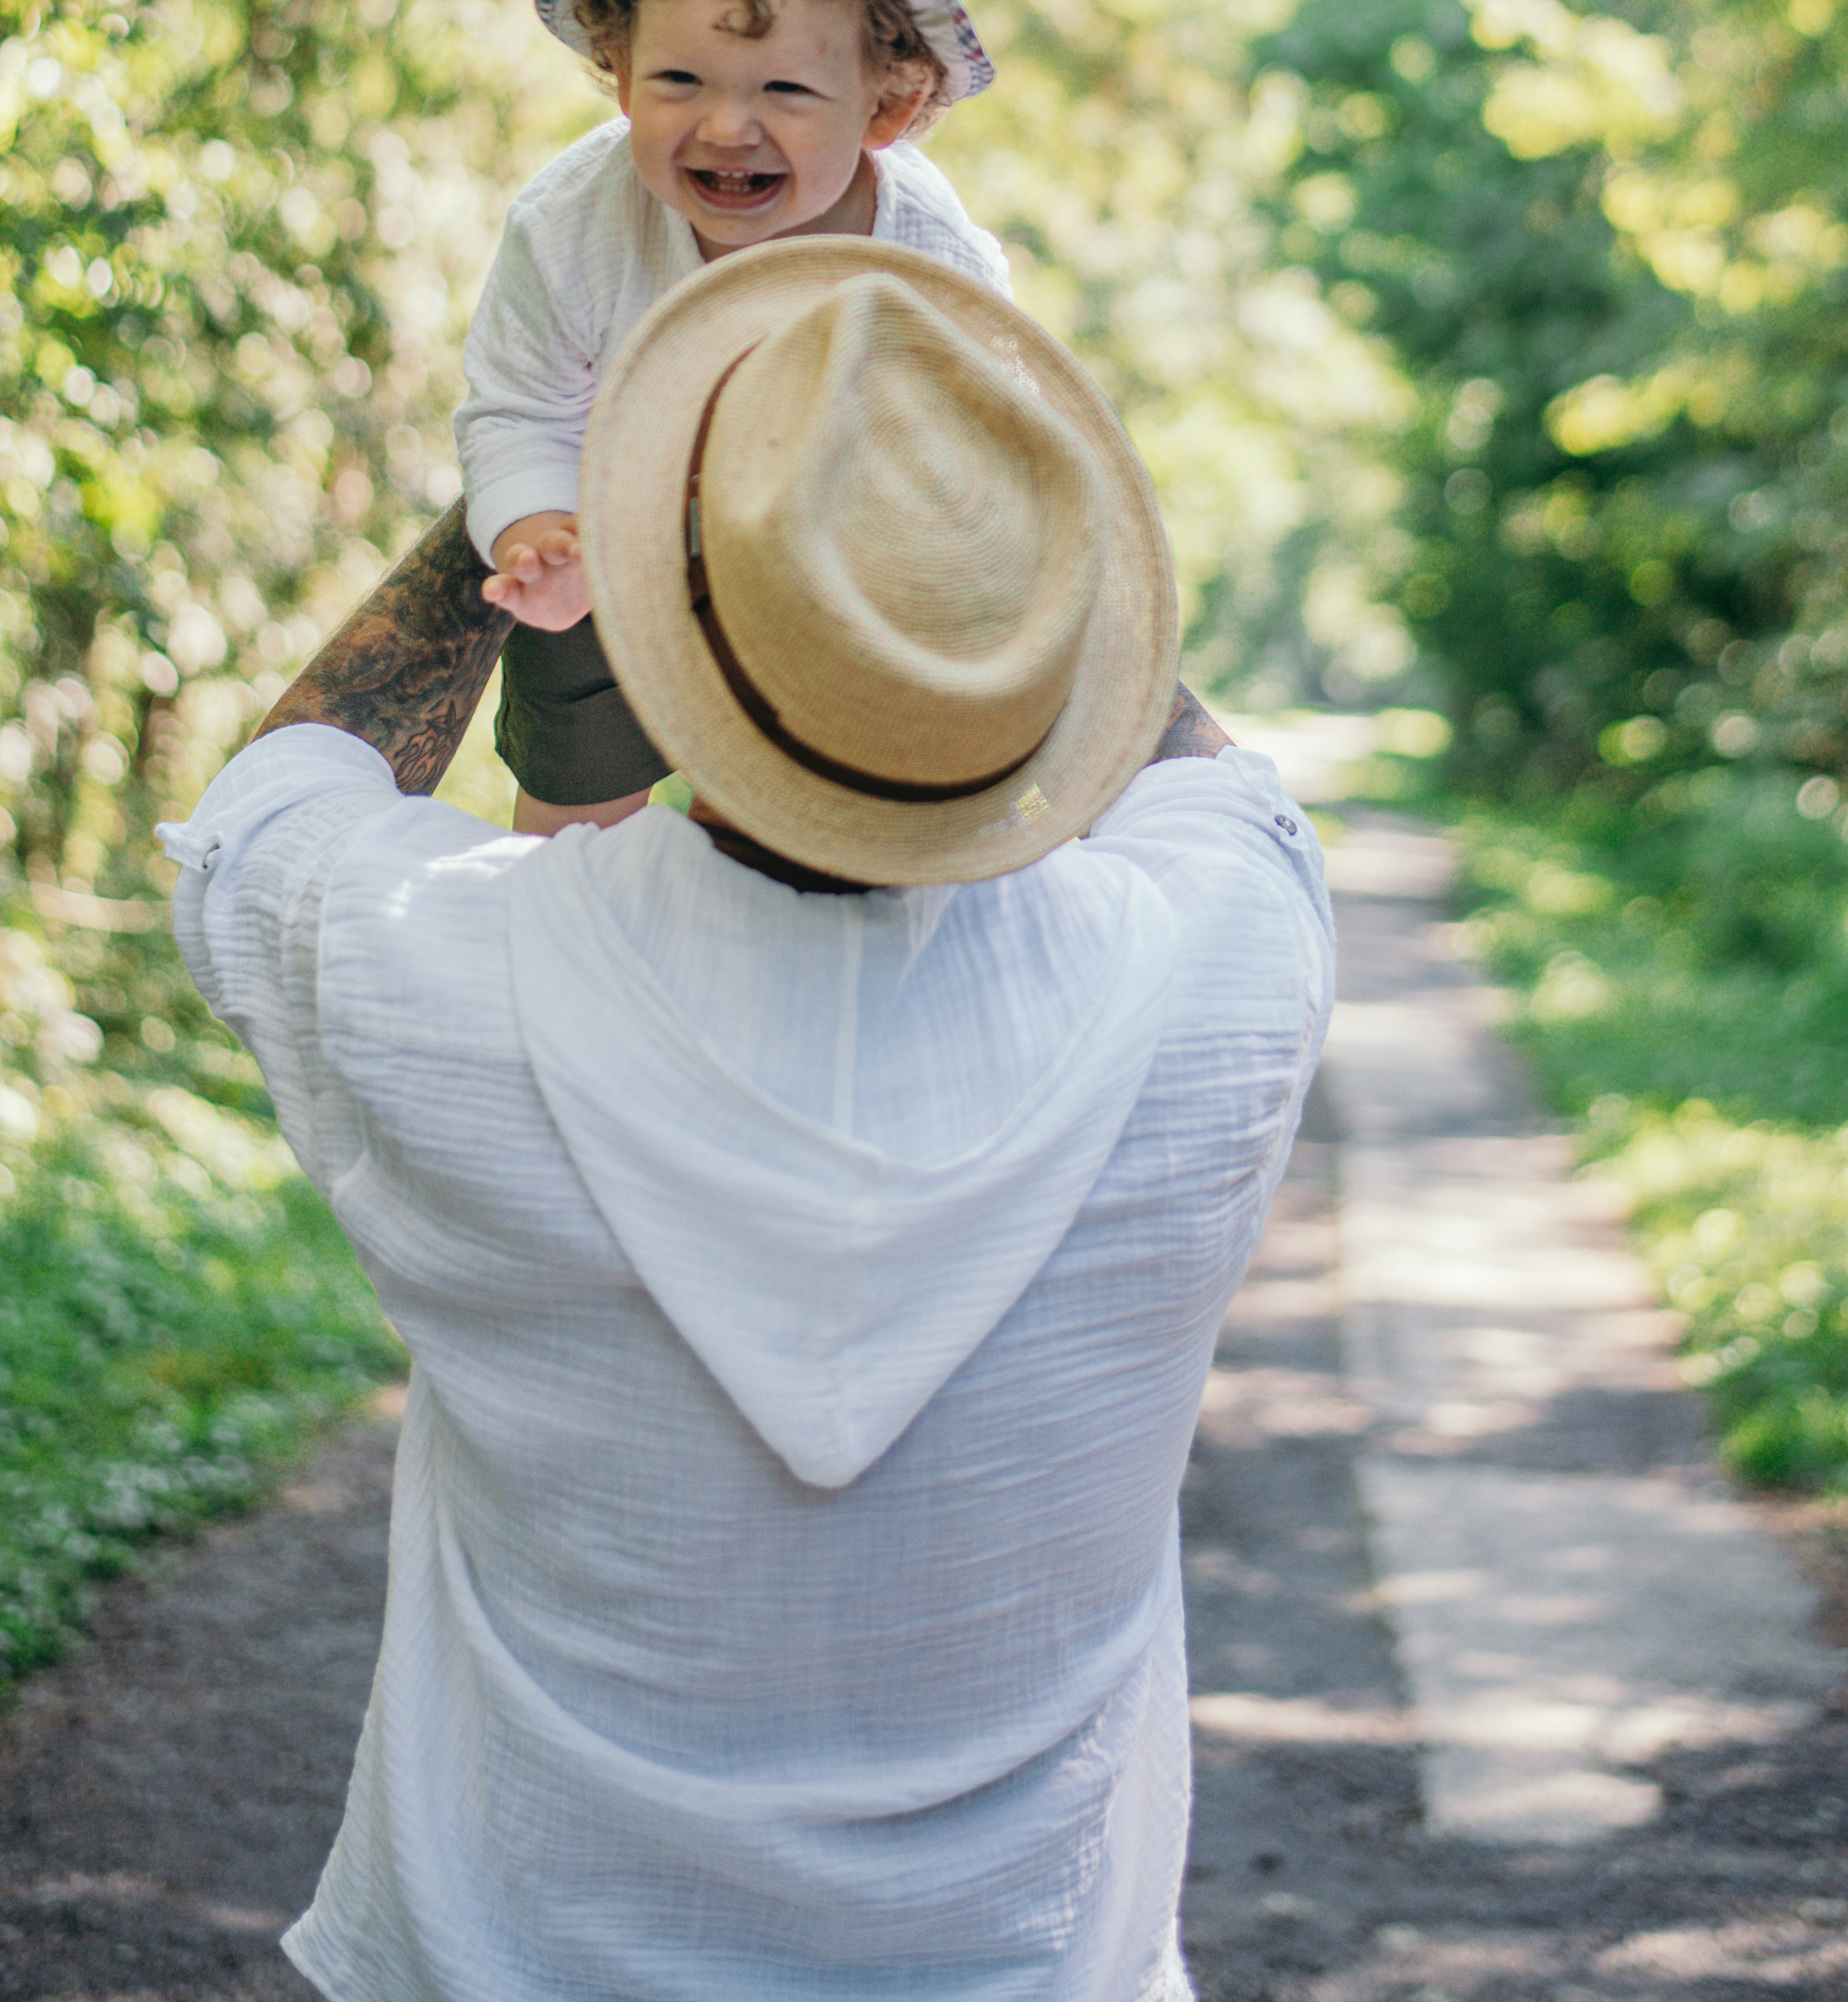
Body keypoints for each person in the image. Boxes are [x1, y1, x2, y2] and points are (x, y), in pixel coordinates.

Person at [158, 240, 1333, 2002]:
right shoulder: (1213, 977)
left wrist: (529, 488)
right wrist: (979, 518)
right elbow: (1219, 791)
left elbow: (274, 805)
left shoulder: (447, 977)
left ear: (657, 607)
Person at [455, 0, 1009, 838]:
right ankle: (580, 927)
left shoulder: (926, 262)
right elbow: (518, 411)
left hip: (833, 569)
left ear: (885, 102)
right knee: (572, 810)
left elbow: (991, 442)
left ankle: (750, 899)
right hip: (620, 544)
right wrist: (537, 534)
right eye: (678, 77)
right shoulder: (574, 227)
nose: (726, 126)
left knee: (794, 811)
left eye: (788, 92)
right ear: (617, 72)